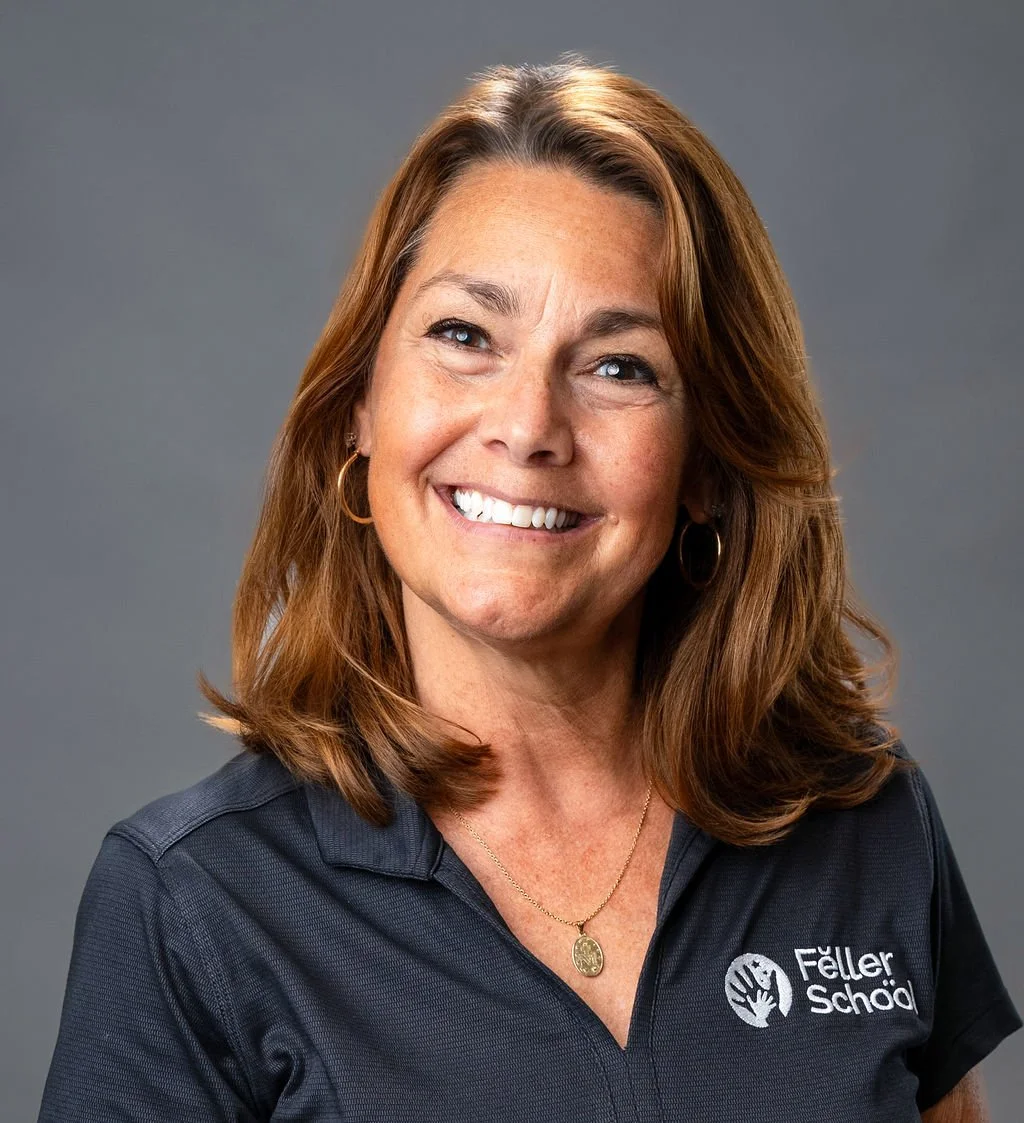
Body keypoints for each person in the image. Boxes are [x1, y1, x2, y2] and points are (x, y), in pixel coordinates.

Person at [38, 55, 1020, 1122]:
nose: (527, 427)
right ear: (359, 409)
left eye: (619, 366)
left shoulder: (864, 821)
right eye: (465, 336)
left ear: (705, 465)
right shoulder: (193, 900)